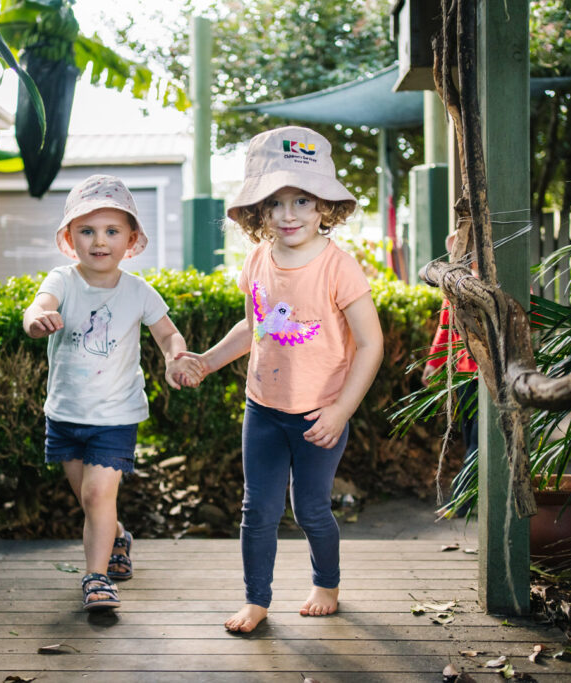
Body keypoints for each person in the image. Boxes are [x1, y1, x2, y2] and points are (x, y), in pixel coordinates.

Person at [181, 126, 384, 633]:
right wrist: (206, 361)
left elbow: (371, 343)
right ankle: (256, 599)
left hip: (320, 413)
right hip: (264, 409)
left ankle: (326, 584)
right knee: (258, 508)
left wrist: (340, 411)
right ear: (259, 212)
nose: (289, 214)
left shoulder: (339, 268)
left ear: (323, 207)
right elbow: (255, 327)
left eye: (302, 200)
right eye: (275, 202)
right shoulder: (256, 260)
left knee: (312, 507)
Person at [22, 174, 202, 612]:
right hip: (65, 414)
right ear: (70, 238)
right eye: (87, 230)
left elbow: (168, 334)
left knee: (98, 496)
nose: (99, 241)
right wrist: (36, 320)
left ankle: (96, 577)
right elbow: (38, 307)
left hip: (116, 416)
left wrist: (175, 357)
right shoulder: (63, 280)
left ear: (130, 239)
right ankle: (117, 537)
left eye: (111, 231)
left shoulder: (138, 291)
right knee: (87, 497)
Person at [422, 234, 479, 515]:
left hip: (490, 376)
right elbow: (445, 327)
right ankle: (471, 497)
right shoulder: (455, 283)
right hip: (464, 376)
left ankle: (462, 500)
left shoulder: (499, 281)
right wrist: (433, 363)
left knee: (481, 442)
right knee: (471, 439)